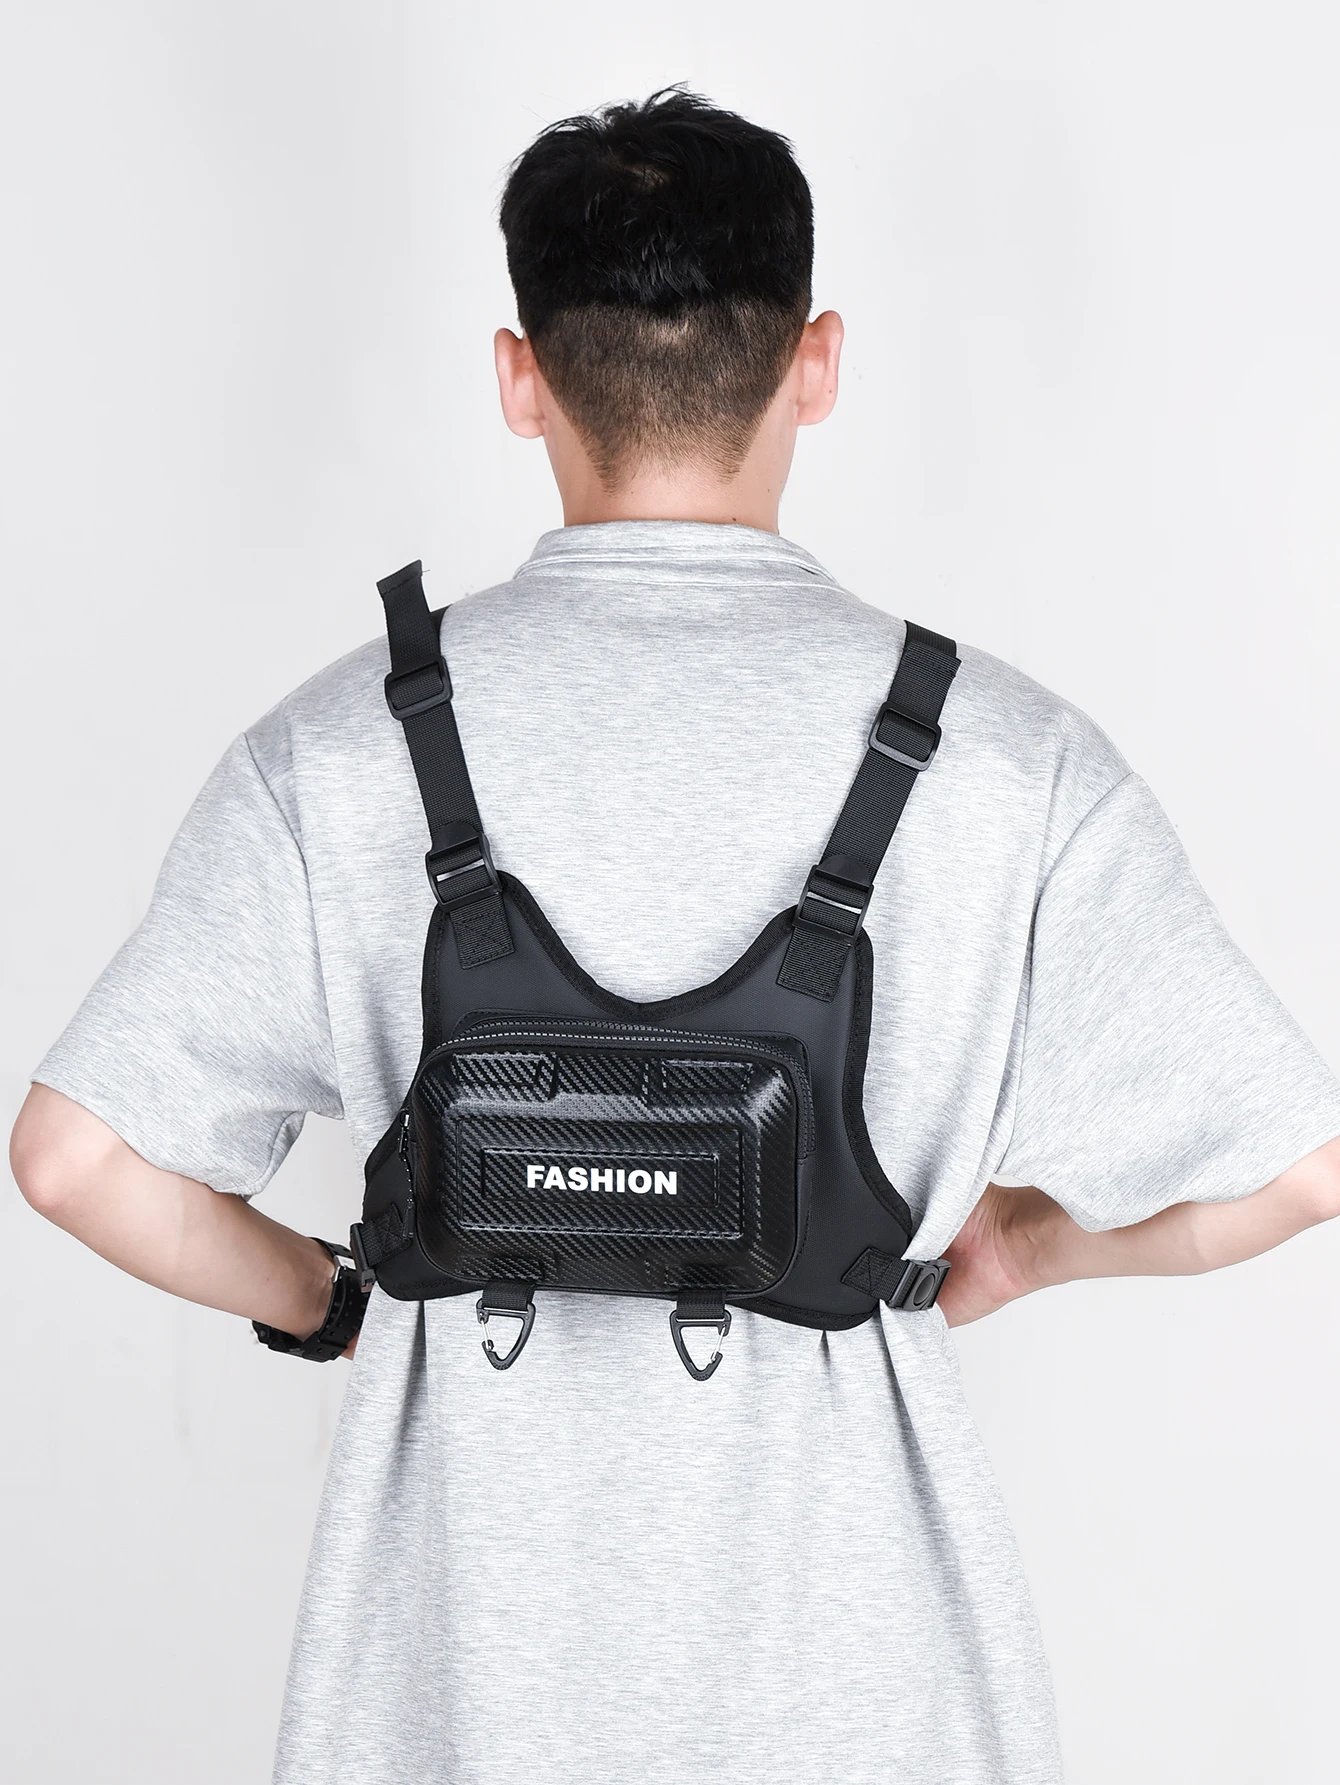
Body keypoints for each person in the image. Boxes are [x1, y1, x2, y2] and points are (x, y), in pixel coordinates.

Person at [11, 89, 1340, 1785]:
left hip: (453, 1706)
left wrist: (328, 1302)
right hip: (871, 1710)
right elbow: (1296, 1168)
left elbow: (72, 1159)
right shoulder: (1016, 766)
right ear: (817, 361)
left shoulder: (332, 753)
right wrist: (1021, 1249)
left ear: (520, 377)